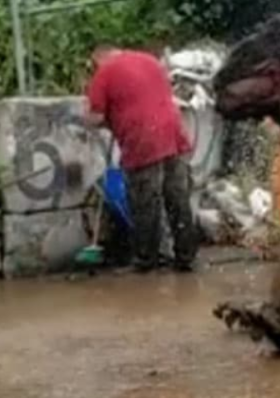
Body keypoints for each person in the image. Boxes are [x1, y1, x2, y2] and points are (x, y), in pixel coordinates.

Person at [85, 46, 199, 272]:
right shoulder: (150, 60)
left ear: (98, 60)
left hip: (142, 139)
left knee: (144, 201)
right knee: (177, 198)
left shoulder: (104, 73)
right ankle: (186, 257)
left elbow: (94, 117)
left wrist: (106, 119)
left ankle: (146, 260)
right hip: (174, 132)